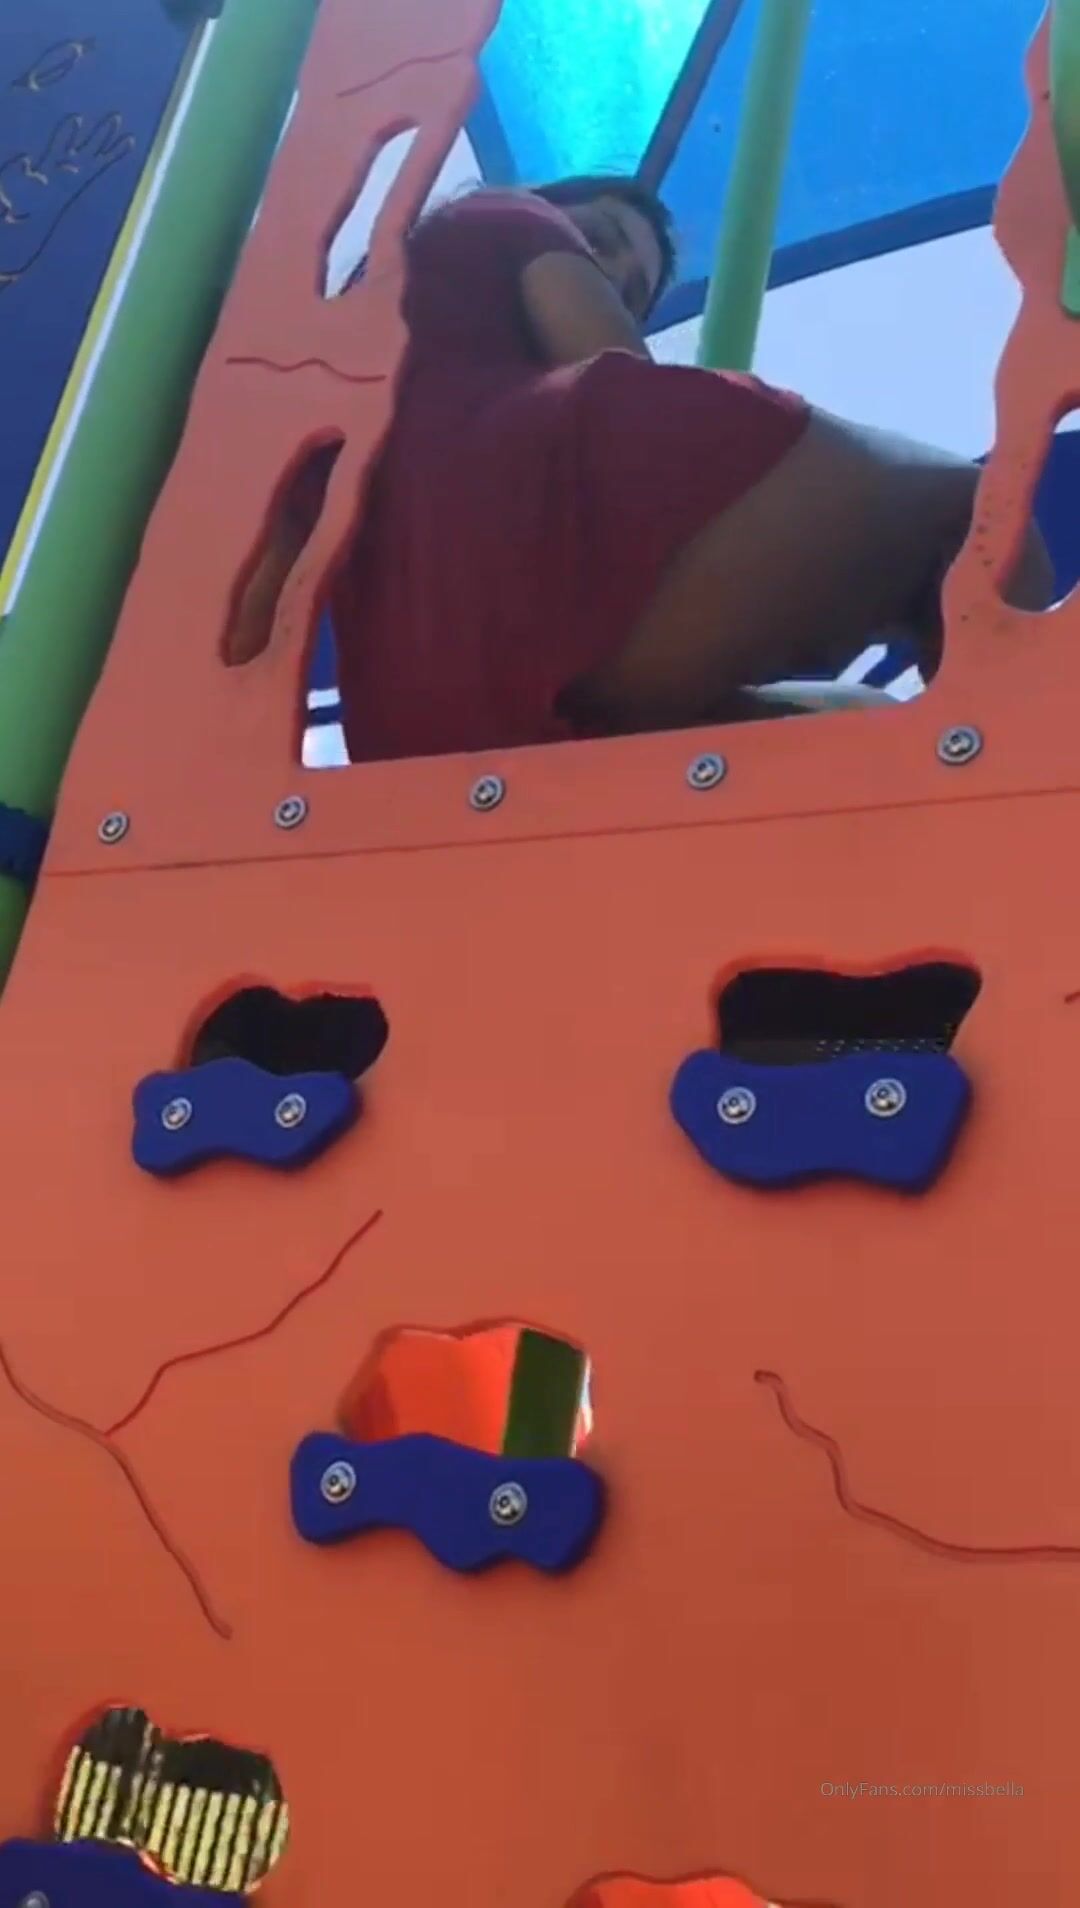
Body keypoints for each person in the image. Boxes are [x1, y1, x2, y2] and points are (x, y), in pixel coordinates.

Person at [229, 174, 1053, 758]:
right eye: (604, 245)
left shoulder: (352, 364)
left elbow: (264, 583)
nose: (613, 273)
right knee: (980, 518)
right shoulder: (500, 215)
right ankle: (1020, 795)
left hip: (412, 711)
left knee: (856, 726)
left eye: (632, 289)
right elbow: (605, 352)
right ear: (554, 205)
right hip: (553, 547)